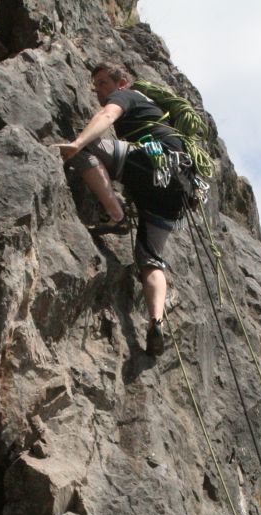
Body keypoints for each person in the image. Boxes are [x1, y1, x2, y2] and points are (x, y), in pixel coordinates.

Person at [55, 61, 189, 357]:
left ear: (122, 82)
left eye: (103, 83)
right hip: (178, 191)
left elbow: (107, 115)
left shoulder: (128, 96)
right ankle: (156, 322)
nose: (99, 91)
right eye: (96, 86)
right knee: (150, 260)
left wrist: (77, 142)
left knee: (87, 147)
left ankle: (115, 215)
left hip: (155, 163)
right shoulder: (156, 112)